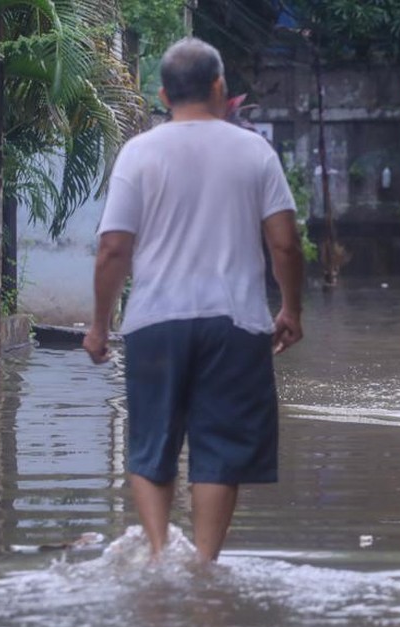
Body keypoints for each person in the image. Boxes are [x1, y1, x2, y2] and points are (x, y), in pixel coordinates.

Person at [82, 37, 304, 563]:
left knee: (150, 444)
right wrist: (291, 309)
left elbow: (113, 248)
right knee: (220, 451)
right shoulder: (254, 151)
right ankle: (204, 565)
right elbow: (285, 244)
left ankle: (161, 554)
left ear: (163, 95)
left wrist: (99, 325)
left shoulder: (139, 153)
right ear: (220, 87)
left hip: (155, 322)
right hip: (236, 324)